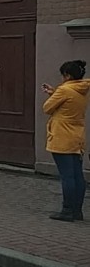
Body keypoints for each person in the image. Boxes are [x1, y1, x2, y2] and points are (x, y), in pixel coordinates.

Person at [42, 60, 90, 222]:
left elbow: (47, 108)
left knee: (67, 176)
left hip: (62, 136)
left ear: (67, 75)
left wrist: (55, 94)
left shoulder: (64, 90)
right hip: (76, 136)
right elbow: (69, 103)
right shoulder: (82, 89)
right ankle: (77, 211)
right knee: (77, 175)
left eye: (63, 75)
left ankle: (67, 210)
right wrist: (54, 92)